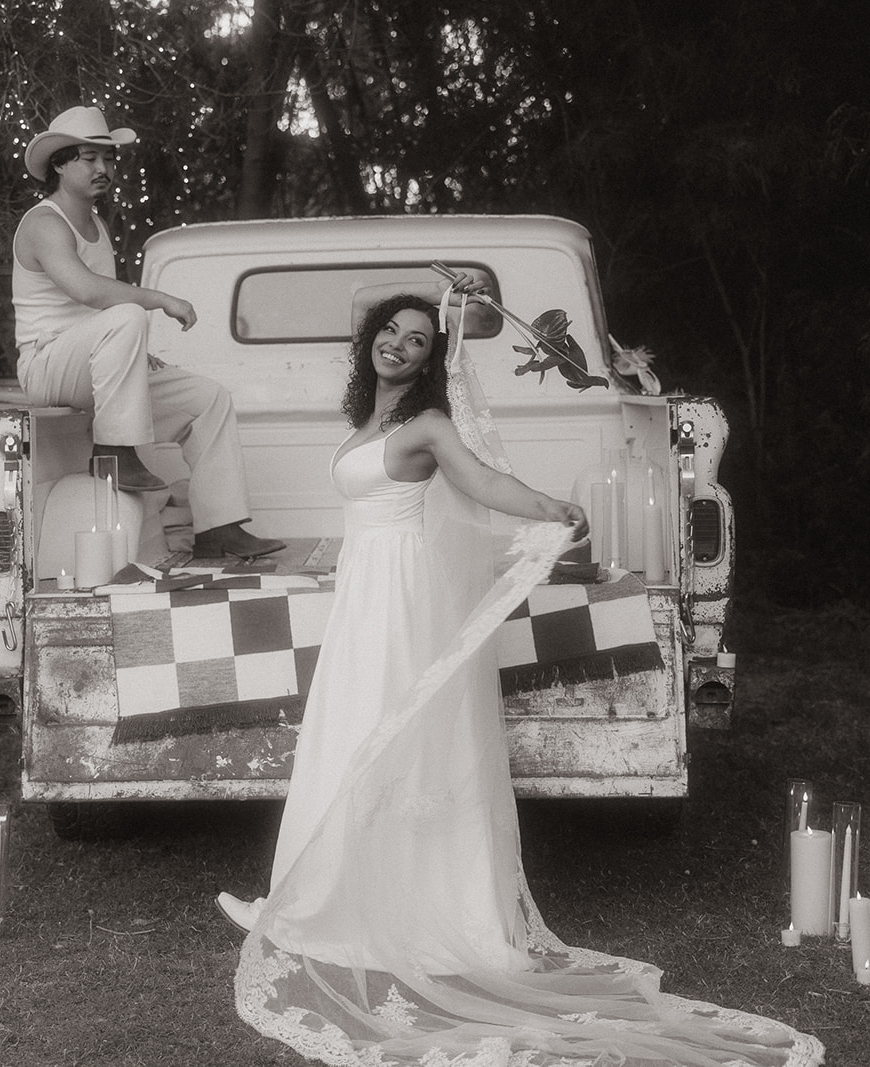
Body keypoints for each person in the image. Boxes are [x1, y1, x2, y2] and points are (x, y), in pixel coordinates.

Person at [218, 278, 825, 1067]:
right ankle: (318, 894)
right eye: (390, 332)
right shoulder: (365, 417)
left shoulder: (428, 422)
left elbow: (481, 483)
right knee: (346, 731)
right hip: (365, 595)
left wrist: (547, 506)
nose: (400, 345)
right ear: (369, 339)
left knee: (393, 732)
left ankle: (405, 906)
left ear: (433, 360)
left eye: (418, 340)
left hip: (402, 602)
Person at [13, 106, 283, 559]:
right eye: (89, 158)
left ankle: (219, 527)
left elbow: (93, 314)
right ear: (59, 164)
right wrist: (159, 300)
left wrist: (129, 352)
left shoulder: (96, 224)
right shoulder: (43, 223)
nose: (104, 168)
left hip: (89, 362)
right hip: (47, 367)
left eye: (110, 159)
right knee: (128, 316)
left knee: (207, 399)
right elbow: (88, 291)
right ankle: (116, 453)